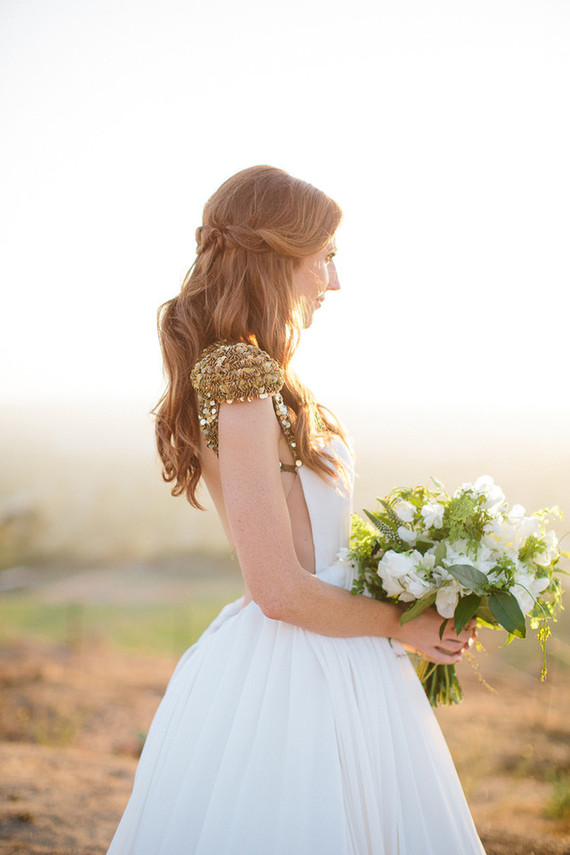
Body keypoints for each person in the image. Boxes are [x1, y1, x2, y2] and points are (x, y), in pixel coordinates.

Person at [107, 165, 485, 854]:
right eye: (326, 258)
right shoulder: (243, 384)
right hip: (296, 675)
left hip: (336, 651)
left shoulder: (259, 376)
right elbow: (277, 588)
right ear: (277, 257)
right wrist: (404, 624)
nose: (333, 281)